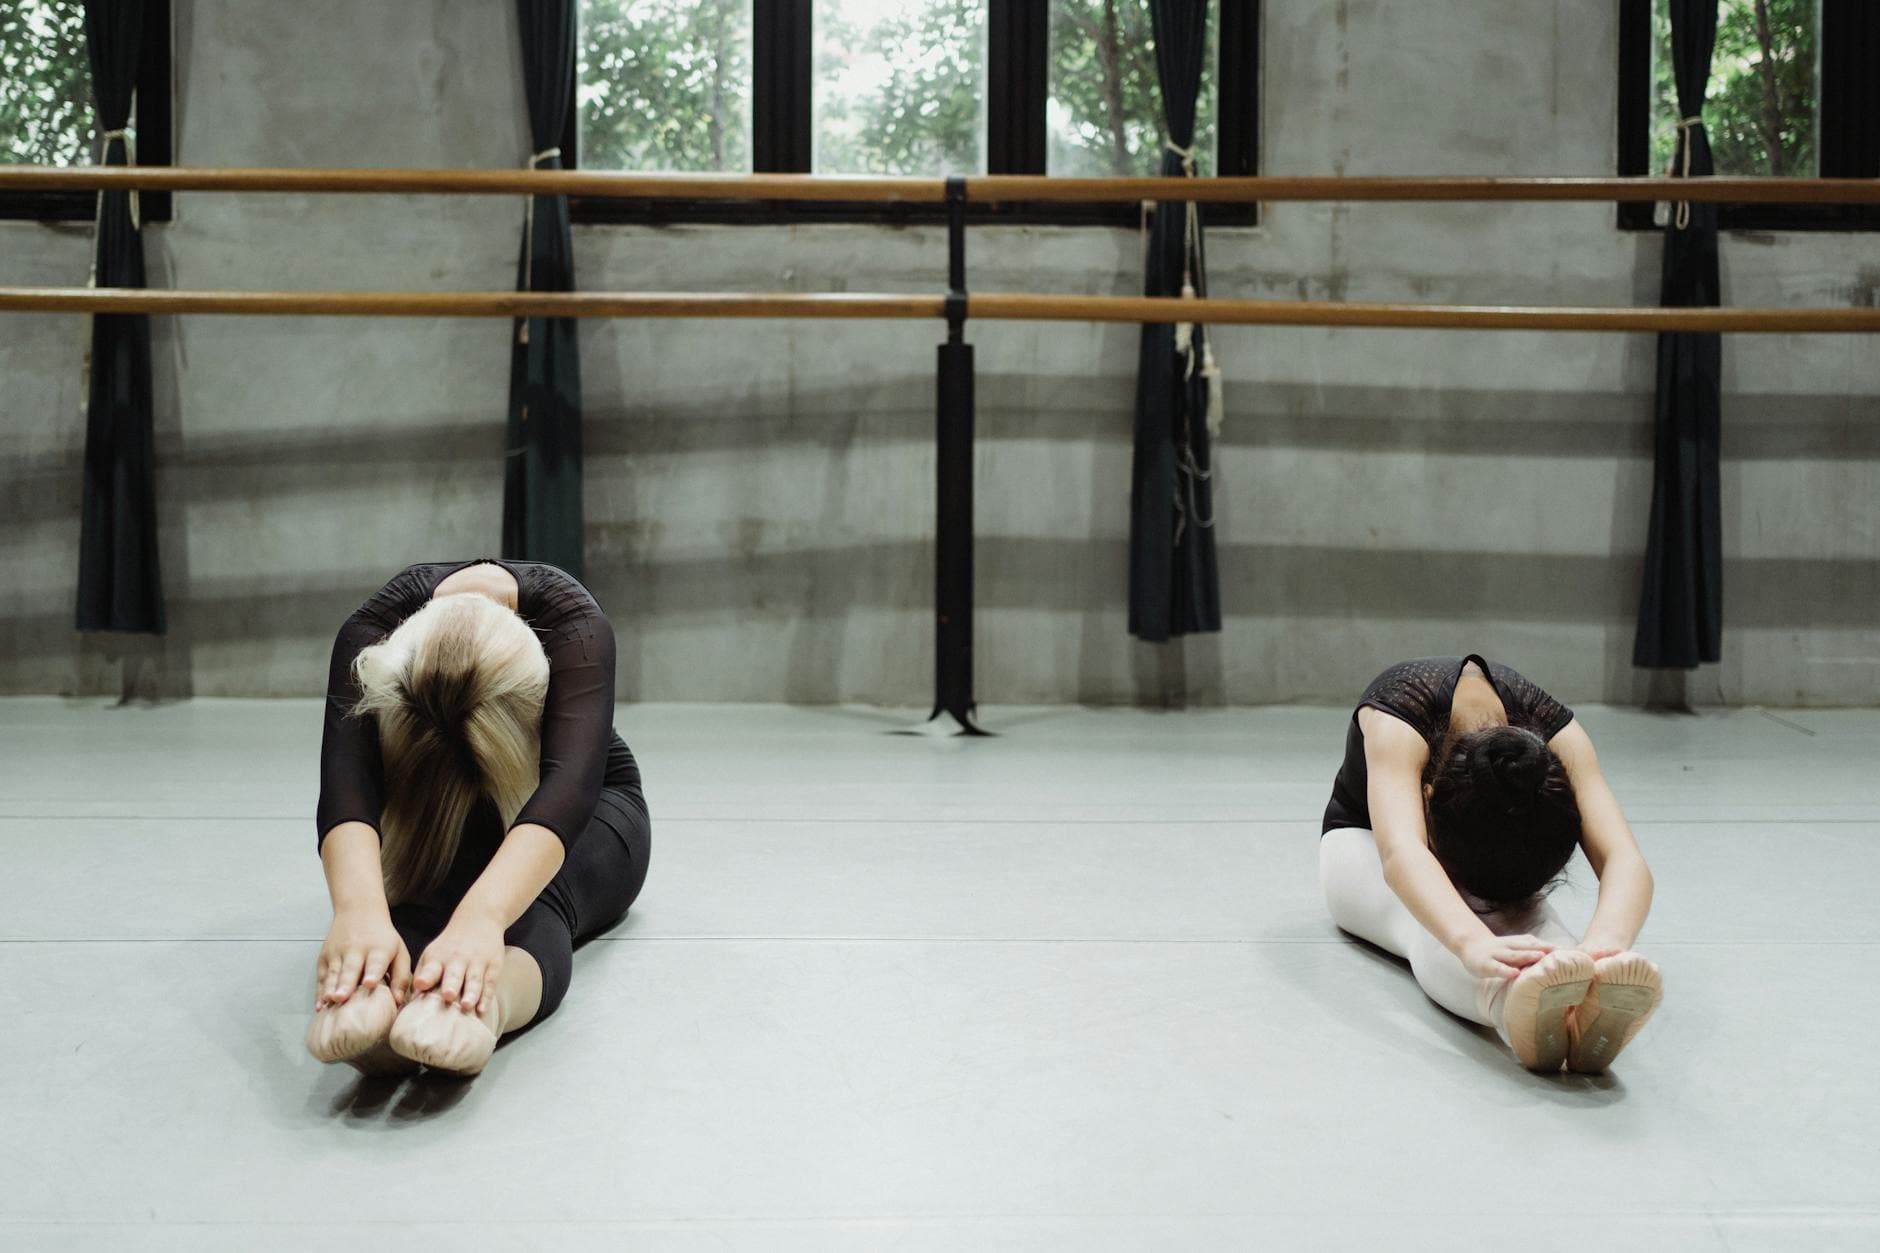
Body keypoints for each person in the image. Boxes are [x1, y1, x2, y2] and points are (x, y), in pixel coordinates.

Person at [304, 559, 649, 1077]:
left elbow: (567, 791)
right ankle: (379, 984)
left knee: (536, 898)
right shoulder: (368, 635)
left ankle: (485, 1006)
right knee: (418, 899)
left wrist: (482, 921)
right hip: (429, 796)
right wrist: (357, 914)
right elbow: (346, 789)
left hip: (585, 803)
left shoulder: (577, 628)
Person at [1318, 655, 1661, 1073]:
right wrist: (1470, 942)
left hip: (1483, 842)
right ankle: (1508, 1003)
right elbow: (1402, 853)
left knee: (1532, 925)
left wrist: (1604, 945)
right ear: (1428, 795)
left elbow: (1623, 856)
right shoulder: (1398, 719)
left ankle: (1575, 998)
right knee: (1423, 923)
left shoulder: (1557, 736)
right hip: (1363, 843)